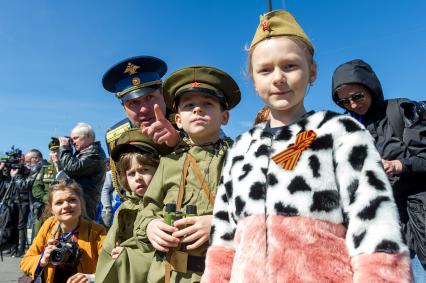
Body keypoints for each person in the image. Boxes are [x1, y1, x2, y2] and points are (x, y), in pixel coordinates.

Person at [202, 10, 412, 282]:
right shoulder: (241, 148)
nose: (278, 77)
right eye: (265, 70)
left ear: (312, 72)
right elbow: (224, 235)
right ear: (254, 81)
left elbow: (374, 224)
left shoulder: (341, 133)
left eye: (289, 66)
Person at [135, 65, 240, 283]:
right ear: (178, 120)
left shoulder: (241, 158)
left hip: (227, 273)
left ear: (225, 117)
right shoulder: (168, 162)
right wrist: (151, 226)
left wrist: (218, 222)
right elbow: (147, 209)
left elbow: (261, 212)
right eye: (189, 105)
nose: (197, 110)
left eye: (208, 104)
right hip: (171, 275)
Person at [331, 59, 426, 282]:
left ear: (371, 88)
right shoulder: (347, 129)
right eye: (345, 101)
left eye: (357, 97)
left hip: (419, 218)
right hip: (381, 229)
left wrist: (400, 166)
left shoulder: (400, 111)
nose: (352, 105)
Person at [95, 129, 172, 283]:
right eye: (131, 173)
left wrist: (128, 255)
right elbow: (108, 251)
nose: (138, 178)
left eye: (144, 170)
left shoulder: (167, 204)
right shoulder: (125, 208)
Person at [20, 180, 106, 283]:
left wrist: (92, 278)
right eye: (59, 203)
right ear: (52, 209)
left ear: (81, 203)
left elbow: (111, 268)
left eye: (72, 200)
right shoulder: (49, 225)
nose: (66, 206)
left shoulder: (97, 232)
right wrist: (42, 259)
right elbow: (25, 262)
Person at [58, 122, 107, 221]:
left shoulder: (95, 154)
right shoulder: (84, 153)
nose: (73, 142)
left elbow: (71, 168)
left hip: (85, 204)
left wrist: (65, 149)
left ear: (88, 136)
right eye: (71, 140)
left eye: (75, 138)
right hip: (79, 201)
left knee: (82, 234)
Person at [31, 138, 60, 240]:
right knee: (39, 235)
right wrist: (47, 198)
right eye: (53, 151)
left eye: (57, 151)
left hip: (62, 209)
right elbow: (36, 188)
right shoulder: (45, 169)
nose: (55, 153)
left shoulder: (68, 168)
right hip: (46, 208)